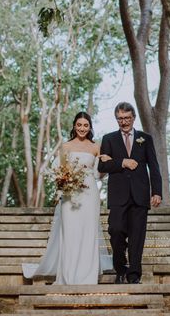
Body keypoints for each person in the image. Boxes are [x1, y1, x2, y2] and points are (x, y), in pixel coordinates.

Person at [22, 111, 112, 284]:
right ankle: (69, 275)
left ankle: (87, 275)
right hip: (70, 194)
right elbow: (59, 172)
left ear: (90, 127)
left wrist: (106, 163)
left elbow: (98, 175)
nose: (82, 128)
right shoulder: (66, 147)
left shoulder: (96, 147)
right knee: (70, 232)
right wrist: (65, 182)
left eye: (86, 125)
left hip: (89, 193)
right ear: (74, 126)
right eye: (79, 125)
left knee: (88, 232)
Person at [97, 102, 162, 284]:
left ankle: (134, 276)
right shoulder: (109, 139)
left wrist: (157, 191)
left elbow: (154, 166)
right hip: (118, 196)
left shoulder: (145, 138)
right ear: (116, 119)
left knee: (137, 237)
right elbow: (102, 165)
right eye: (120, 119)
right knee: (115, 230)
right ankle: (120, 268)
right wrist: (122, 162)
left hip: (140, 195)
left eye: (127, 118)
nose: (124, 122)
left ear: (133, 117)